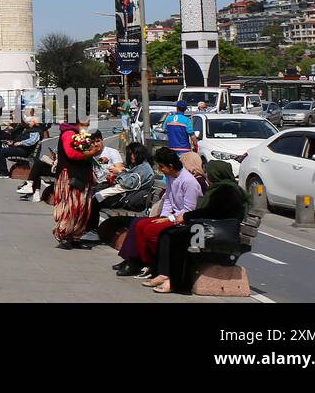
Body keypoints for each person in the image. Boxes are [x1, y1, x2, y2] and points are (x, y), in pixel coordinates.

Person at [143, 160, 251, 293]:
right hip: (213, 229)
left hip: (216, 233)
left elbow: (213, 211)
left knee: (176, 238)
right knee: (168, 233)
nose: (207, 175)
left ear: (216, 174)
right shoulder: (223, 188)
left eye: (208, 172)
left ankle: (177, 283)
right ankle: (164, 274)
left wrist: (187, 216)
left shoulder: (226, 191)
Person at [113, 147, 202, 277]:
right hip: (171, 216)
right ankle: (133, 260)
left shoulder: (189, 182)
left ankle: (152, 263)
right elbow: (168, 199)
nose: (160, 170)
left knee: (150, 229)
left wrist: (168, 219)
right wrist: (164, 215)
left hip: (182, 220)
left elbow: (188, 210)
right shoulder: (171, 177)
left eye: (162, 167)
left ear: (171, 166)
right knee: (138, 223)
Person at [52, 119, 97, 249]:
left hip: (82, 175)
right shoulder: (68, 133)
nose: (88, 121)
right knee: (70, 206)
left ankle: (76, 236)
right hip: (71, 175)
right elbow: (71, 154)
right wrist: (92, 152)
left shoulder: (79, 133)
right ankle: (65, 235)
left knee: (82, 206)